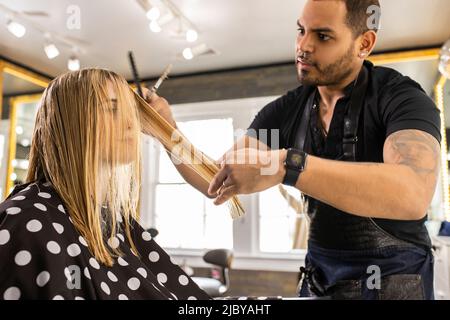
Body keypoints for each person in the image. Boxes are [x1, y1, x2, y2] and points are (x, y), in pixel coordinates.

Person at [151, 0, 441, 300]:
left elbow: (413, 193)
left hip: (393, 282)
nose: (303, 46)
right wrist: (166, 131)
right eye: (301, 31)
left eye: (323, 36)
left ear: (363, 43)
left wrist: (288, 165)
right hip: (320, 278)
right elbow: (218, 178)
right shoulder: (287, 112)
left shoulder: (400, 98)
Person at [0, 69, 210, 300]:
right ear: (73, 120)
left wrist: (167, 128)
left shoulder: (111, 221)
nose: (132, 122)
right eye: (112, 108)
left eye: (131, 110)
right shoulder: (28, 221)